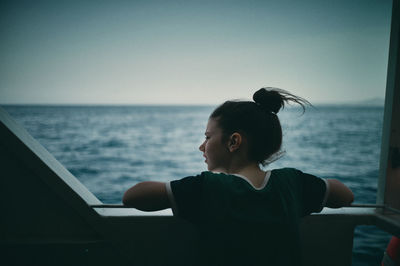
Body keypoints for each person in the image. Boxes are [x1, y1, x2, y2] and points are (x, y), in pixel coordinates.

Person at [122, 88, 354, 266]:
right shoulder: (293, 183)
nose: (201, 146)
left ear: (233, 142)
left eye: (208, 137)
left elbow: (132, 197)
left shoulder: (207, 188)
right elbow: (345, 195)